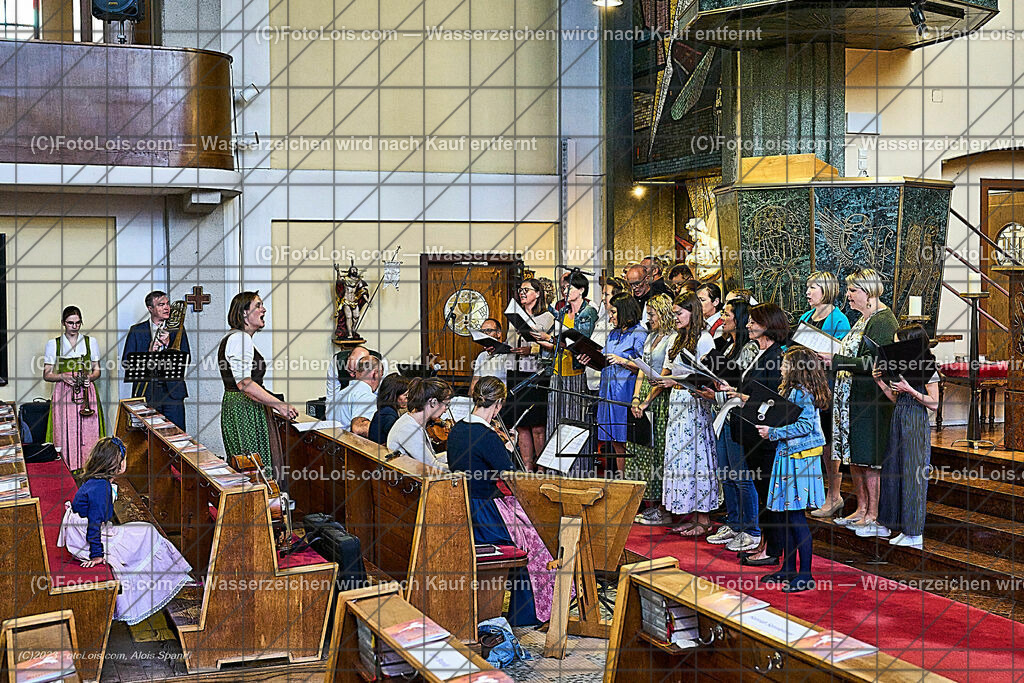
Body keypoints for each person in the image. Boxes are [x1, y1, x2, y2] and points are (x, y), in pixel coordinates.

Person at [446, 377, 556, 626]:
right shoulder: (487, 436)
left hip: (462, 504)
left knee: (528, 530)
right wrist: (511, 445)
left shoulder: (457, 430)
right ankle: (528, 614)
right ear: (498, 406)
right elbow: (509, 472)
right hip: (484, 512)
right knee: (535, 538)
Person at [57, 437, 192, 625]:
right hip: (87, 536)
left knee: (145, 532)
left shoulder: (98, 481)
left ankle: (162, 580)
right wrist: (97, 554)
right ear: (117, 465)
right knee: (148, 534)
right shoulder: (100, 488)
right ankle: (160, 584)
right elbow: (94, 525)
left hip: (88, 531)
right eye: (124, 458)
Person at [820, 269, 898, 538]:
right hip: (851, 398)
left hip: (870, 400)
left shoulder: (883, 321)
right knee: (854, 455)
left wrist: (835, 360)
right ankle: (861, 508)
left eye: (853, 291)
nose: (848, 295)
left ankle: (874, 513)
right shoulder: (863, 319)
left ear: (870, 291)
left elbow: (876, 363)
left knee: (869, 458)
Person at [757, 346, 830, 593]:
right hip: (788, 455)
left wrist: (773, 432)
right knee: (785, 515)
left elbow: (806, 425)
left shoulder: (802, 393)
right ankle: (788, 569)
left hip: (801, 459)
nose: (781, 368)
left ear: (797, 368)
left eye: (785, 364)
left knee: (796, 517)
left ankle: (806, 573)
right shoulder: (792, 391)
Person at [723, 302, 789, 565]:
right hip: (750, 433)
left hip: (765, 437)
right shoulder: (761, 353)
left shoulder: (777, 357)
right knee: (762, 493)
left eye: (753, 322)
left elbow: (775, 401)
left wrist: (741, 396)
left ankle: (771, 548)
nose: (748, 325)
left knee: (766, 493)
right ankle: (764, 543)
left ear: (768, 325)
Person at [654, 292, 717, 536]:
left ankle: (703, 518)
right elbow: (668, 369)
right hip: (677, 404)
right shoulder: (675, 339)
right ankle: (690, 513)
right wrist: (660, 378)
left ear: (693, 312)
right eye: (674, 313)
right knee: (680, 459)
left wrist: (677, 383)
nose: (675, 317)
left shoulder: (704, 339)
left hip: (695, 404)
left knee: (697, 458)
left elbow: (707, 376)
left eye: (679, 313)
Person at [702, 299, 762, 552]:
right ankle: (735, 522)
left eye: (727, 314)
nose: (723, 319)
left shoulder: (748, 349)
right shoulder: (726, 345)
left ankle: (752, 528)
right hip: (723, 412)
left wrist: (719, 389)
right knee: (726, 472)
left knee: (741, 474)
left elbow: (741, 383)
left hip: (739, 414)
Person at [218, 292, 300, 477]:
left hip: (239, 406)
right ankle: (260, 505)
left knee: (248, 468)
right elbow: (245, 384)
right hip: (244, 409)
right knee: (254, 468)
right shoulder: (240, 339)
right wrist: (279, 405)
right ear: (244, 313)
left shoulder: (235, 338)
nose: (264, 309)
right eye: (258, 306)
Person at [873, 325, 939, 549]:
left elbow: (934, 403)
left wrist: (909, 389)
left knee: (913, 475)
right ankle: (896, 525)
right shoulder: (902, 365)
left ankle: (915, 533)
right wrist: (881, 382)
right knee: (892, 470)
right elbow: (895, 399)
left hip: (915, 422)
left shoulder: (928, 366)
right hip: (899, 417)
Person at [799, 272, 852, 518]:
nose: (808, 292)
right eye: (808, 287)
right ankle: (815, 493)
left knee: (829, 443)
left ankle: (834, 495)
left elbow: (842, 354)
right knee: (812, 440)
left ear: (827, 290)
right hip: (806, 386)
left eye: (814, 287)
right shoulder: (806, 317)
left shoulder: (839, 320)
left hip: (827, 386)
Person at [625, 293, 676, 524]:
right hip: (644, 389)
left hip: (659, 395)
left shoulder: (672, 338)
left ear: (663, 314)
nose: (649, 318)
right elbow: (640, 368)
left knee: (658, 452)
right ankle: (649, 503)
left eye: (652, 315)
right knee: (641, 449)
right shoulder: (651, 336)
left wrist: (647, 401)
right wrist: (636, 398)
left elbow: (665, 374)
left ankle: (663, 508)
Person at [536, 272, 598, 452]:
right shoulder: (563, 312)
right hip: (557, 370)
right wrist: (545, 340)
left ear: (581, 290)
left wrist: (552, 339)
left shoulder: (588, 312)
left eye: (569, 287)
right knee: (556, 419)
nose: (565, 290)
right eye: (564, 287)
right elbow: (558, 340)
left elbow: (582, 343)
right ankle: (555, 464)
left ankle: (577, 470)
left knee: (575, 419)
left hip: (576, 371)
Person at [43, 306, 105, 471]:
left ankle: (89, 465)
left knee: (88, 427)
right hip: (64, 391)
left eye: (78, 323)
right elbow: (47, 374)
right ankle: (67, 466)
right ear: (63, 323)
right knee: (65, 428)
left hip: (85, 390)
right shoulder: (53, 344)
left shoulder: (90, 342)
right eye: (70, 323)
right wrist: (63, 376)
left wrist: (89, 378)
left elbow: (97, 371)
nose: (74, 326)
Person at [504, 278, 555, 471]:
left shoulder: (547, 317)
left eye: (527, 289)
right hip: (514, 372)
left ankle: (541, 467)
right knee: (521, 424)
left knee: (536, 425)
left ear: (538, 293)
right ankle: (527, 465)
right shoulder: (514, 316)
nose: (522, 292)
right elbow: (511, 342)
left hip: (535, 373)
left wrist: (531, 350)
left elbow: (549, 346)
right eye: (521, 289)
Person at [122, 290, 192, 430]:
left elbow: (186, 359)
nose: (167, 308)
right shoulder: (136, 331)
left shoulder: (178, 329)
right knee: (148, 438)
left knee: (176, 435)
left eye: (167, 304)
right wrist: (149, 352)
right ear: (150, 309)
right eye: (161, 305)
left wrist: (168, 345)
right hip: (148, 392)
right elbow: (126, 363)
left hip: (172, 393)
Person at [595, 293, 645, 475]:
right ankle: (619, 478)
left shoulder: (639, 333)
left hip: (626, 391)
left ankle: (626, 480)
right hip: (609, 390)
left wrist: (622, 361)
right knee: (614, 440)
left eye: (614, 312)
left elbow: (644, 366)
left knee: (625, 439)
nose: (611, 316)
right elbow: (606, 358)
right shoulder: (614, 333)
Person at [387, 377, 452, 469]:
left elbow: (431, 458)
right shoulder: (408, 428)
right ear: (433, 402)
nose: (445, 410)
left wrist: (453, 456)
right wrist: (462, 468)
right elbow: (432, 466)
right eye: (446, 405)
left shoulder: (414, 422)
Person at [329, 355, 382, 437]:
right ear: (375, 374)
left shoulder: (340, 394)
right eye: (380, 375)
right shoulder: (366, 396)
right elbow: (359, 429)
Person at [470, 318, 513, 395]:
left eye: (489, 331)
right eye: (482, 332)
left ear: (498, 333)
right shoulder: (481, 356)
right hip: (482, 398)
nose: (485, 334)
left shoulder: (508, 356)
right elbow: (473, 386)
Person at [368, 374, 411, 445]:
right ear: (394, 395)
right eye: (405, 395)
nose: (408, 399)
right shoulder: (389, 415)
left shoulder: (385, 411)